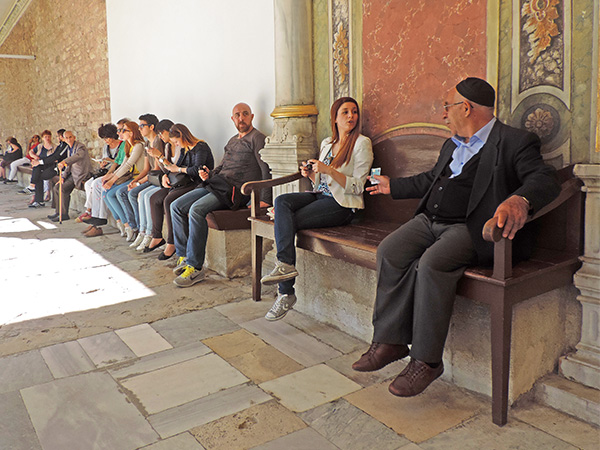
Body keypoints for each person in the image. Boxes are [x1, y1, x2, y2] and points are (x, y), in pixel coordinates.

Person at [351, 77, 561, 397]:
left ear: (466, 107)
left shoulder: (514, 141)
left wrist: (521, 200)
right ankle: (391, 341)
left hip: (471, 228)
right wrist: (394, 187)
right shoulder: (452, 144)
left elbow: (544, 179)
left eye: (447, 107)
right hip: (429, 220)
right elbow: (430, 180)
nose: (443, 114)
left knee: (432, 262)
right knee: (390, 250)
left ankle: (426, 361)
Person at [260, 97, 374, 320]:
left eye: (354, 112)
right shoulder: (326, 144)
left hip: (341, 206)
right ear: (335, 118)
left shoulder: (362, 143)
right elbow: (320, 183)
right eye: (345, 112)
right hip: (320, 196)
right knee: (282, 202)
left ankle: (285, 292)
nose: (351, 116)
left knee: (286, 220)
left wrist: (328, 170)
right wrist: (311, 174)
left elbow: (358, 186)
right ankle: (285, 265)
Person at [170, 102, 271, 287]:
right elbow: (223, 166)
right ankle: (184, 256)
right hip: (217, 184)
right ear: (232, 119)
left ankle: (195, 268)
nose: (241, 118)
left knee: (196, 210)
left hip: (234, 192)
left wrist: (264, 199)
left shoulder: (257, 138)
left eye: (245, 114)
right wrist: (209, 174)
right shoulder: (232, 140)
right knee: (175, 206)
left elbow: (266, 169)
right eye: (237, 115)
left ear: (252, 116)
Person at [145, 123, 214, 260]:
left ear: (182, 136)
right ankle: (158, 236)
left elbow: (197, 169)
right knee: (155, 198)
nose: (175, 145)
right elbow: (173, 168)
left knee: (170, 201)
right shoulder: (184, 148)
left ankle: (173, 243)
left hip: (198, 184)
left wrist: (179, 170)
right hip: (184, 182)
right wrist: (161, 161)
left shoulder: (200, 147)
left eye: (176, 141)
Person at [133, 119, 175, 250]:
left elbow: (167, 168)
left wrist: (159, 156)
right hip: (165, 179)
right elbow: (163, 169)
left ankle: (153, 234)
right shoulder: (164, 145)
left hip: (171, 181)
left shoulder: (162, 143)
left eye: (142, 126)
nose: (161, 136)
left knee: (148, 196)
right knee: (140, 194)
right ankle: (143, 230)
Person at [125, 114, 165, 247]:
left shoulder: (159, 141)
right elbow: (147, 168)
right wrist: (136, 181)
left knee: (143, 194)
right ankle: (141, 230)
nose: (140, 128)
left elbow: (157, 170)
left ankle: (149, 232)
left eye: (142, 126)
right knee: (131, 192)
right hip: (152, 177)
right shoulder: (147, 143)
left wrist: (139, 182)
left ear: (151, 127)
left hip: (159, 178)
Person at [102, 121, 146, 240]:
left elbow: (129, 165)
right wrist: (110, 176)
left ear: (131, 133)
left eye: (123, 130)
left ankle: (132, 226)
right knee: (106, 193)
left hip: (140, 177)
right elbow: (123, 165)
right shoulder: (128, 145)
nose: (120, 133)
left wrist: (112, 180)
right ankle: (122, 222)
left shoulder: (139, 145)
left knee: (118, 193)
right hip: (131, 176)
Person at [77, 123, 122, 228]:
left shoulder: (122, 145)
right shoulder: (106, 147)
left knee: (97, 184)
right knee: (88, 184)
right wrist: (102, 164)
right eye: (104, 138)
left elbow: (121, 162)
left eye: (107, 138)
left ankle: (99, 215)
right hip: (106, 170)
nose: (106, 141)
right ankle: (91, 211)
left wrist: (110, 160)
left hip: (116, 172)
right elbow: (105, 160)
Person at [48, 130, 93, 222]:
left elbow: (77, 156)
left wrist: (64, 162)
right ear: (64, 139)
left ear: (74, 137)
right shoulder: (69, 148)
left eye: (70, 137)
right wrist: (63, 177)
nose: (69, 139)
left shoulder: (80, 147)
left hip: (81, 176)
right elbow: (69, 166)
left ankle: (63, 214)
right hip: (72, 175)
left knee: (62, 189)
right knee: (57, 187)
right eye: (67, 138)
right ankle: (59, 212)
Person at [29, 130, 58, 208]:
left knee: (38, 175)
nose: (47, 138)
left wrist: (39, 162)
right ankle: (39, 200)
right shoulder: (40, 146)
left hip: (50, 167)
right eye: (45, 137)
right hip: (40, 166)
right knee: (37, 167)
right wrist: (36, 157)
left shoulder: (54, 147)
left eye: (49, 136)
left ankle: (33, 186)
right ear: (42, 138)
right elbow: (30, 152)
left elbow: (53, 159)